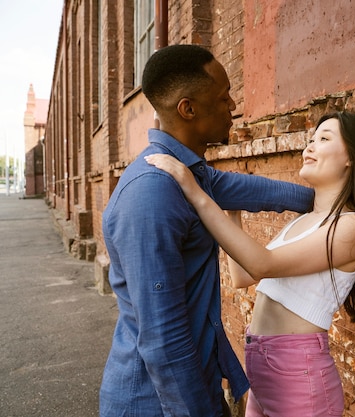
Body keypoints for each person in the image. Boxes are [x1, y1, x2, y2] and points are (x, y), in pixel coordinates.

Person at [99, 44, 314, 417]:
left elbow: (257, 191)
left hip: (192, 389)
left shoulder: (191, 175)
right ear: (188, 108)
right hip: (155, 403)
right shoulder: (152, 193)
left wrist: (332, 197)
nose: (233, 105)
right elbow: (163, 338)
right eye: (223, 96)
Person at [145, 111, 355, 416]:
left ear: (352, 157)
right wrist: (231, 209)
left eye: (323, 139)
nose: (309, 147)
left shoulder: (352, 227)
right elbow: (243, 275)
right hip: (261, 366)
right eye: (310, 139)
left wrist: (194, 191)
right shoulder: (304, 222)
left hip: (299, 374)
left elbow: (263, 265)